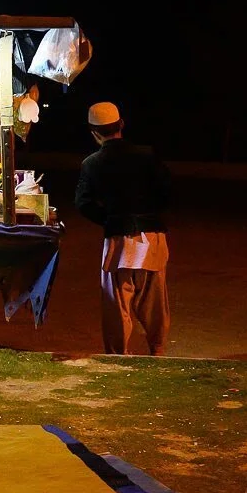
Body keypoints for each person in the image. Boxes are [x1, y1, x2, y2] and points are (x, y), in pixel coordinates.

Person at [74, 102, 172, 356]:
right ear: (121, 125)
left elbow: (83, 203)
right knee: (154, 300)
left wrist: (109, 219)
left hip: (118, 240)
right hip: (152, 237)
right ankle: (157, 349)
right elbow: (168, 194)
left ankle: (119, 354)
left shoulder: (91, 163)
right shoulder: (148, 155)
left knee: (117, 302)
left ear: (94, 132)